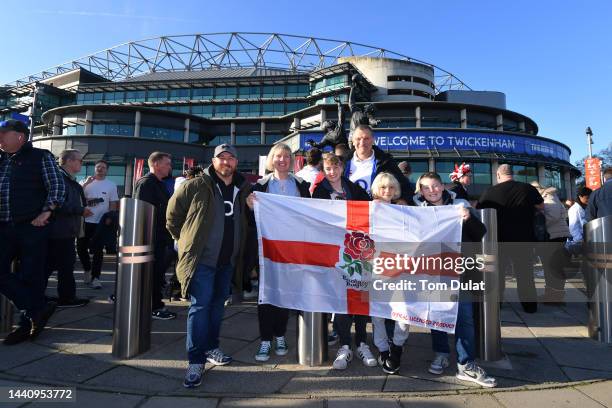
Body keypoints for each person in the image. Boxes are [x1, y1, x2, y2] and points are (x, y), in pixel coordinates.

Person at [167, 144, 251, 388]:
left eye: (230, 158)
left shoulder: (243, 188)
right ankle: (195, 360)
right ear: (213, 161)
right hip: (202, 261)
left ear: (236, 162)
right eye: (221, 158)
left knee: (216, 307)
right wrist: (185, 242)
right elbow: (172, 217)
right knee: (200, 306)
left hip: (227, 261)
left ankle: (211, 348)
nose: (226, 162)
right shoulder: (194, 185)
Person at [413, 172, 497, 388]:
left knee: (465, 316)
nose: (432, 190)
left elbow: (480, 232)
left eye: (435, 186)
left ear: (443, 186)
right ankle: (441, 353)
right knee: (437, 314)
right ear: (420, 191)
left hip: (460, 271)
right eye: (426, 187)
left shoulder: (460, 205)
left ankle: (466, 363)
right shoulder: (416, 211)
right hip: (432, 271)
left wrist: (468, 219)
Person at [0, 119, 64, 345]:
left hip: (32, 226)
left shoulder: (40, 157)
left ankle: (27, 326)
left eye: (3, 134)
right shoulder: (2, 160)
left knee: (31, 276)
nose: (0, 138)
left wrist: (47, 211)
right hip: (4, 226)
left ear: (20, 137)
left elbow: (57, 186)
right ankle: (38, 308)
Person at [246, 143, 311, 362]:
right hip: (267, 248)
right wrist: (249, 205)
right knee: (266, 293)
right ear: (271, 160)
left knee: (285, 293)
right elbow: (249, 219)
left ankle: (280, 334)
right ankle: (265, 339)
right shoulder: (260, 186)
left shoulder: (302, 185)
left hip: (292, 249)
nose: (282, 159)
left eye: (286, 156)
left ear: (291, 160)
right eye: (277, 156)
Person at [312, 153, 377, 370]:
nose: (332, 172)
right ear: (324, 170)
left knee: (359, 295)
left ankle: (361, 342)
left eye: (335, 167)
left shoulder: (353, 188)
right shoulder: (319, 191)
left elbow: (370, 208)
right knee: (340, 298)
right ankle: (345, 345)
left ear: (342, 168)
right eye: (328, 169)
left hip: (356, 250)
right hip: (334, 252)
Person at [476, 164, 544, 313]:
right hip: (523, 238)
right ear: (512, 174)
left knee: (497, 273)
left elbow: (480, 212)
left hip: (498, 239)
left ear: (498, 175)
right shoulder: (527, 188)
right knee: (525, 273)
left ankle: (497, 304)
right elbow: (541, 206)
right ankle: (530, 306)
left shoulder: (490, 191)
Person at [368, 172, 409, 374]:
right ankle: (383, 349)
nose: (387, 191)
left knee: (404, 313)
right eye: (383, 187)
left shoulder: (404, 210)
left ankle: (398, 348)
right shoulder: (367, 210)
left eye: (391, 187)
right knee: (378, 315)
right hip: (376, 268)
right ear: (377, 188)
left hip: (401, 267)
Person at [134, 152, 177, 320]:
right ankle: (154, 306)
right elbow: (142, 212)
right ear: (157, 164)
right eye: (167, 163)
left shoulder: (158, 183)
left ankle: (154, 304)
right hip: (151, 238)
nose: (169, 167)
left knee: (158, 272)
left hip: (161, 237)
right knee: (154, 273)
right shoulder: (146, 184)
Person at [45, 149, 91, 308]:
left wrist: (82, 207)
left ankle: (59, 297)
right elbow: (56, 202)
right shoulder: (59, 178)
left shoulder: (69, 180)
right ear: (69, 161)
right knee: (61, 265)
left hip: (64, 230)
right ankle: (66, 298)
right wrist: (80, 210)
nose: (81, 163)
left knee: (58, 265)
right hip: (58, 230)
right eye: (79, 160)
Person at [77, 160, 119, 289]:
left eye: (103, 167)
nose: (100, 169)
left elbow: (113, 203)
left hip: (100, 222)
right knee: (81, 248)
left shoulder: (111, 185)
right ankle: (87, 270)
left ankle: (96, 277)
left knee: (98, 251)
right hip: (85, 221)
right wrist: (86, 184)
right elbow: (76, 197)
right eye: (98, 167)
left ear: (107, 170)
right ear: (94, 169)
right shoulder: (85, 182)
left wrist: (110, 217)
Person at [344, 125, 414, 201]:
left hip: (376, 210)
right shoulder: (342, 162)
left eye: (366, 138)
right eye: (358, 139)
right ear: (353, 141)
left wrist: (404, 200)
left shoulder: (386, 162)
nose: (362, 142)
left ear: (373, 140)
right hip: (348, 210)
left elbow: (405, 186)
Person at [532, 184, 571, 304]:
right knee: (550, 267)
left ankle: (555, 297)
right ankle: (552, 296)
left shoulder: (549, 197)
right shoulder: (547, 197)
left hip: (555, 237)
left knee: (553, 267)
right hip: (553, 236)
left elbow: (552, 216)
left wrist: (537, 223)